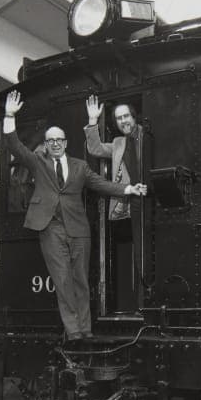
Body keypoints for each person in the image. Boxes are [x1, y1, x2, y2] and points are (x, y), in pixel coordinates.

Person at [3, 90, 147, 341]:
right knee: (63, 280)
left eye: (60, 140)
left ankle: (86, 330)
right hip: (51, 227)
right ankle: (74, 333)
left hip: (79, 228)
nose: (56, 143)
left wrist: (128, 188)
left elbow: (101, 184)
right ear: (46, 145)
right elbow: (15, 145)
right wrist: (9, 115)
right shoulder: (38, 161)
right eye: (51, 140)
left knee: (80, 280)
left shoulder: (80, 166)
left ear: (66, 143)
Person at [83, 96, 146, 305]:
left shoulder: (147, 135)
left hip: (146, 203)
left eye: (126, 116)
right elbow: (95, 149)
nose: (123, 121)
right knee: (134, 254)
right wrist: (93, 121)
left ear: (134, 116)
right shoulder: (119, 142)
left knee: (144, 254)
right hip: (126, 204)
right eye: (119, 118)